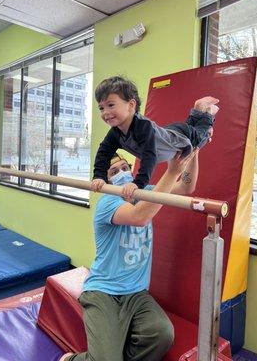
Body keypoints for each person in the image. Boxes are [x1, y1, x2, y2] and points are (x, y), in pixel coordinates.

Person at [60, 148, 201, 361]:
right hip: (103, 291)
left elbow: (186, 186)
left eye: (125, 168)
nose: (122, 173)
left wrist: (194, 152)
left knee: (162, 335)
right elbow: (140, 217)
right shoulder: (107, 203)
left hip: (136, 293)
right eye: (113, 172)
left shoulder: (146, 193)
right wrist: (171, 172)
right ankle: (71, 359)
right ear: (104, 181)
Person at [91, 76, 219, 199]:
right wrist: (99, 176)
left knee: (201, 136)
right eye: (101, 108)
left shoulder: (142, 126)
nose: (105, 112)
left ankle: (205, 112)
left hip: (176, 137)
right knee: (192, 133)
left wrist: (137, 183)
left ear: (131, 105)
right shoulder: (115, 132)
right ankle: (199, 112)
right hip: (169, 133)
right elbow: (103, 153)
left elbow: (149, 156)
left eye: (111, 105)